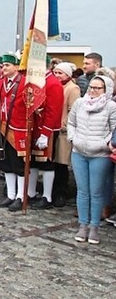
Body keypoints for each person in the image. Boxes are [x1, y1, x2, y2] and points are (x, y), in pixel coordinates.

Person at [67, 75, 116, 244]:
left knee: (96, 191)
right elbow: (71, 122)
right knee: (82, 191)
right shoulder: (80, 103)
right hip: (79, 152)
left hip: (100, 155)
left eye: (98, 88)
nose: (93, 91)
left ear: (106, 89)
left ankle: (94, 226)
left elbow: (114, 128)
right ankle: (83, 225)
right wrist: (73, 138)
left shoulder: (110, 106)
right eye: (91, 87)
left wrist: (106, 143)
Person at [0, 53, 31, 211]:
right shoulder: (2, 83)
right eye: (2, 66)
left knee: (19, 165)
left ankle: (22, 196)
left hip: (18, 129)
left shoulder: (24, 83)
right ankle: (11, 194)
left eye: (7, 65)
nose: (4, 68)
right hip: (3, 128)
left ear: (16, 66)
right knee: (6, 163)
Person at [27, 59, 64, 209]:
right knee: (33, 162)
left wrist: (46, 132)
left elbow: (53, 110)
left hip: (46, 129)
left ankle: (47, 196)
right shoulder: (37, 82)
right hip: (34, 127)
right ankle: (30, 192)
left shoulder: (53, 83)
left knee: (47, 163)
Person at [52, 62, 80, 208]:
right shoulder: (53, 86)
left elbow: (73, 110)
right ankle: (51, 190)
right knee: (52, 162)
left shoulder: (72, 88)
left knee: (61, 164)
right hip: (52, 129)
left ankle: (61, 192)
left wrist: (64, 125)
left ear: (68, 75)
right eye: (55, 72)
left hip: (62, 131)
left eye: (60, 73)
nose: (57, 76)